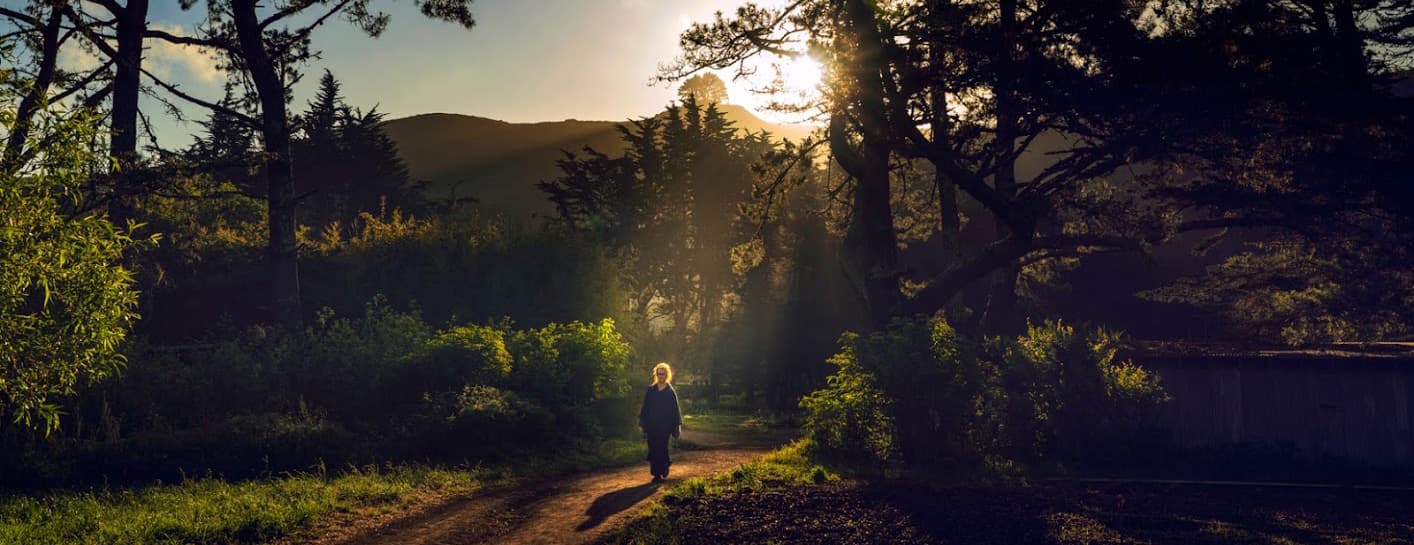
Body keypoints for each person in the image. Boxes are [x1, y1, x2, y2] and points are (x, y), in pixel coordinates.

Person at [637, 362, 682, 483]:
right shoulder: (651, 389)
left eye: (663, 374)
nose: (660, 376)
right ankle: (656, 473)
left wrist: (677, 426)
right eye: (659, 374)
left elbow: (675, 409)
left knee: (661, 447)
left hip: (665, 426)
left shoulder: (670, 391)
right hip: (652, 425)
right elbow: (645, 407)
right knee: (652, 448)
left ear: (667, 375)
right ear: (656, 375)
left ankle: (663, 468)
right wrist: (642, 423)